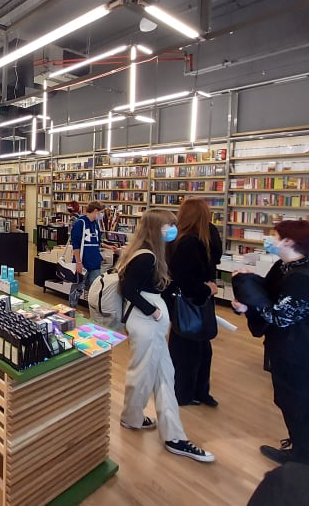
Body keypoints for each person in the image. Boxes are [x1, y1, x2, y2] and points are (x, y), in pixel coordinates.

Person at [231, 220, 309, 469]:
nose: (270, 239)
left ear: (288, 241)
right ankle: (301, 448)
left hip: (299, 352)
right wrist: (247, 291)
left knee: (299, 403)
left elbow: (280, 317)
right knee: (288, 399)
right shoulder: (285, 266)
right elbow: (268, 295)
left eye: (275, 235)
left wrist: (250, 304)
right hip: (286, 347)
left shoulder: (306, 280)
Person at [117, 208, 214, 463]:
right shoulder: (146, 257)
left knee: (164, 376)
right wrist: (154, 311)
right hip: (147, 322)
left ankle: (157, 428)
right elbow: (128, 289)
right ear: (154, 228)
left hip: (149, 323)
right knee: (144, 373)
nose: (172, 230)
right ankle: (165, 433)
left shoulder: (146, 252)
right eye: (167, 226)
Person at [165, 198, 221, 407]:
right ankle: (186, 393)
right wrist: (207, 289)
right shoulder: (190, 242)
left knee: (197, 349)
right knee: (189, 350)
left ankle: (195, 391)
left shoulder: (188, 239)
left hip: (190, 302)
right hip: (191, 302)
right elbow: (185, 279)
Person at [68, 201, 116, 307]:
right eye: (101, 212)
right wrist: (78, 262)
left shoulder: (95, 224)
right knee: (78, 287)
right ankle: (71, 308)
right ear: (95, 211)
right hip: (83, 262)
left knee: (95, 288)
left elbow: (97, 241)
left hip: (94, 263)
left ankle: (94, 310)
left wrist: (108, 247)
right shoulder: (80, 223)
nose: (102, 215)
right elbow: (75, 245)